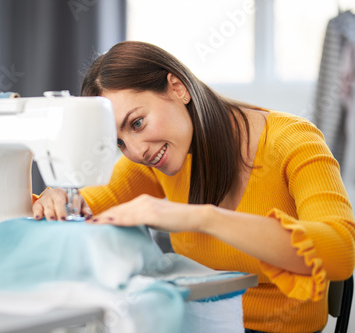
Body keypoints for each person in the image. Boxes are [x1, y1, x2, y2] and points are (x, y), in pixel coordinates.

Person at [32, 41, 355, 333]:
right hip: (198, 323)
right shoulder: (157, 158)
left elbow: (341, 251)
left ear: (177, 88)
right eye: (118, 141)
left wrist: (203, 218)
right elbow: (92, 203)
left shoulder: (292, 141)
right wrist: (57, 198)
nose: (135, 150)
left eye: (137, 123)